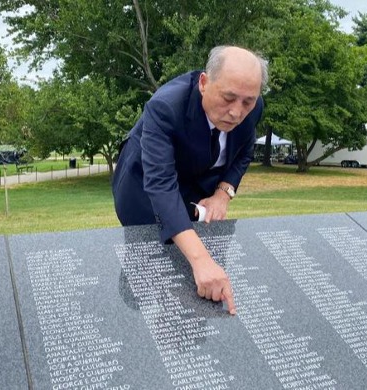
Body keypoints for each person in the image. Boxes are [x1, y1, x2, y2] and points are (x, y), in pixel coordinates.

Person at [112, 45, 267, 315]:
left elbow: (244, 150)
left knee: (192, 254)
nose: (236, 112)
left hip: (196, 179)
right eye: (228, 98)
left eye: (247, 101)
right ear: (204, 83)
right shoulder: (165, 106)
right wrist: (201, 260)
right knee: (156, 262)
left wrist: (223, 193)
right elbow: (160, 185)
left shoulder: (253, 106)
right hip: (143, 185)